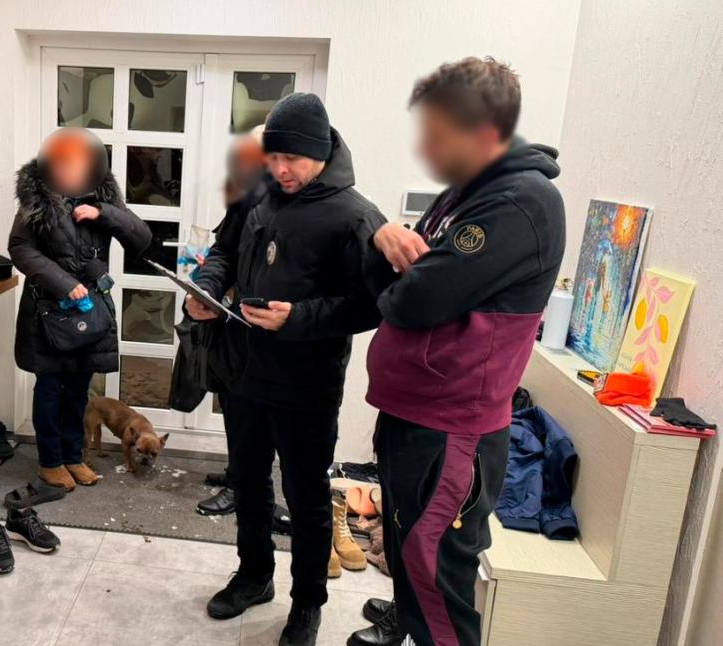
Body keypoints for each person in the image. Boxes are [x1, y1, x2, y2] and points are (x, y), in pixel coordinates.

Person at [349, 57, 566, 646]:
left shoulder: (521, 201)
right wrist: (385, 242)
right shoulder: (463, 193)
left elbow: (415, 299)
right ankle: (405, 620)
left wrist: (400, 274)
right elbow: (397, 278)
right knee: (410, 553)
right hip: (415, 411)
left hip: (450, 427)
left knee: (439, 587)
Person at [188, 93, 385, 646]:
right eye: (272, 157)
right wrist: (205, 290)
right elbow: (222, 252)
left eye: (291, 158)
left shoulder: (356, 216)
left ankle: (307, 604)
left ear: (320, 152)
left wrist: (296, 318)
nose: (280, 169)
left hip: (307, 385)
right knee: (248, 483)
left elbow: (369, 306)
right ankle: (254, 576)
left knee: (306, 497)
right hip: (244, 372)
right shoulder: (256, 194)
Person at [9, 128, 151, 492]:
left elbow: (141, 239)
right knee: (50, 391)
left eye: (75, 163)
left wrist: (104, 213)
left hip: (90, 313)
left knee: (78, 392)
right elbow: (20, 248)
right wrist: (62, 282)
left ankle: (73, 456)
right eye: (61, 163)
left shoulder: (103, 196)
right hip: (49, 314)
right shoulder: (37, 199)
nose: (67, 170)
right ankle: (50, 462)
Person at [193, 126, 268, 517]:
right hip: (237, 325)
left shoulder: (313, 205)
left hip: (276, 337)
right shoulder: (247, 193)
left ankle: (244, 487)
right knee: (234, 403)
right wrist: (204, 289)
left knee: (257, 416)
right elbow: (223, 252)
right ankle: (238, 472)